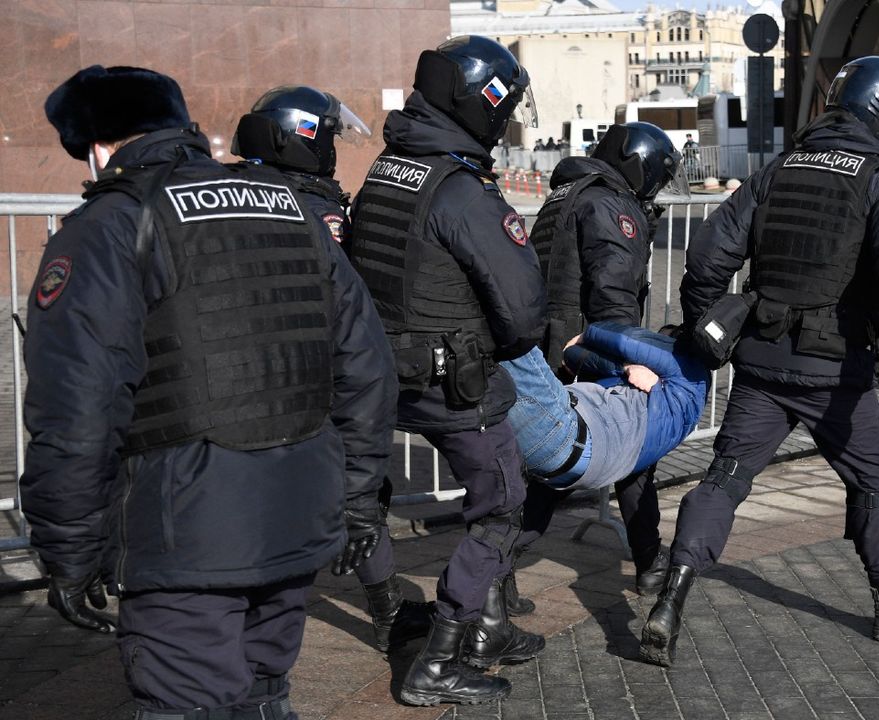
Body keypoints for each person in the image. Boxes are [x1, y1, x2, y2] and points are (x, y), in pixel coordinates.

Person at [24, 65, 398, 719]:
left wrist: (70, 551)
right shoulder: (289, 206)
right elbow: (366, 366)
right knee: (263, 693)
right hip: (299, 517)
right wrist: (358, 500)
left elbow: (77, 409)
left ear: (97, 145)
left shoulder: (112, 225)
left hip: (187, 539)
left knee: (186, 699)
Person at [638, 56, 879, 667]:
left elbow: (707, 258)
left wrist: (712, 331)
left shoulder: (776, 171)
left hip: (760, 365)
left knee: (725, 479)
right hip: (834, 374)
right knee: (873, 483)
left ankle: (671, 598)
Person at [344, 36, 547, 706]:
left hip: (383, 382)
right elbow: (522, 314)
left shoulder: (384, 170)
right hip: (456, 387)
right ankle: (438, 661)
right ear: (478, 104)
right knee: (501, 511)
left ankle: (486, 629)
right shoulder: (462, 190)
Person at [231, 85, 435, 653]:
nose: (333, 148)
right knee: (356, 493)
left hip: (246, 379)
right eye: (326, 135)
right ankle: (387, 610)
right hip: (313, 378)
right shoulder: (310, 205)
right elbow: (343, 302)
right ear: (301, 136)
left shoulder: (236, 190)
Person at [514, 121, 687, 607]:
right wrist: (632, 357)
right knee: (627, 452)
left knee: (556, 461)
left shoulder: (567, 194)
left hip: (555, 346)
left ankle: (498, 570)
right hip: (592, 347)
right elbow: (613, 292)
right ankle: (650, 564)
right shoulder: (611, 204)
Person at [501, 322, 709, 492]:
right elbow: (573, 358)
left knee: (507, 335)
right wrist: (625, 367)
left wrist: (587, 334)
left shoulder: (685, 369)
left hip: (571, 436)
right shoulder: (677, 406)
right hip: (572, 468)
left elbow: (621, 340)